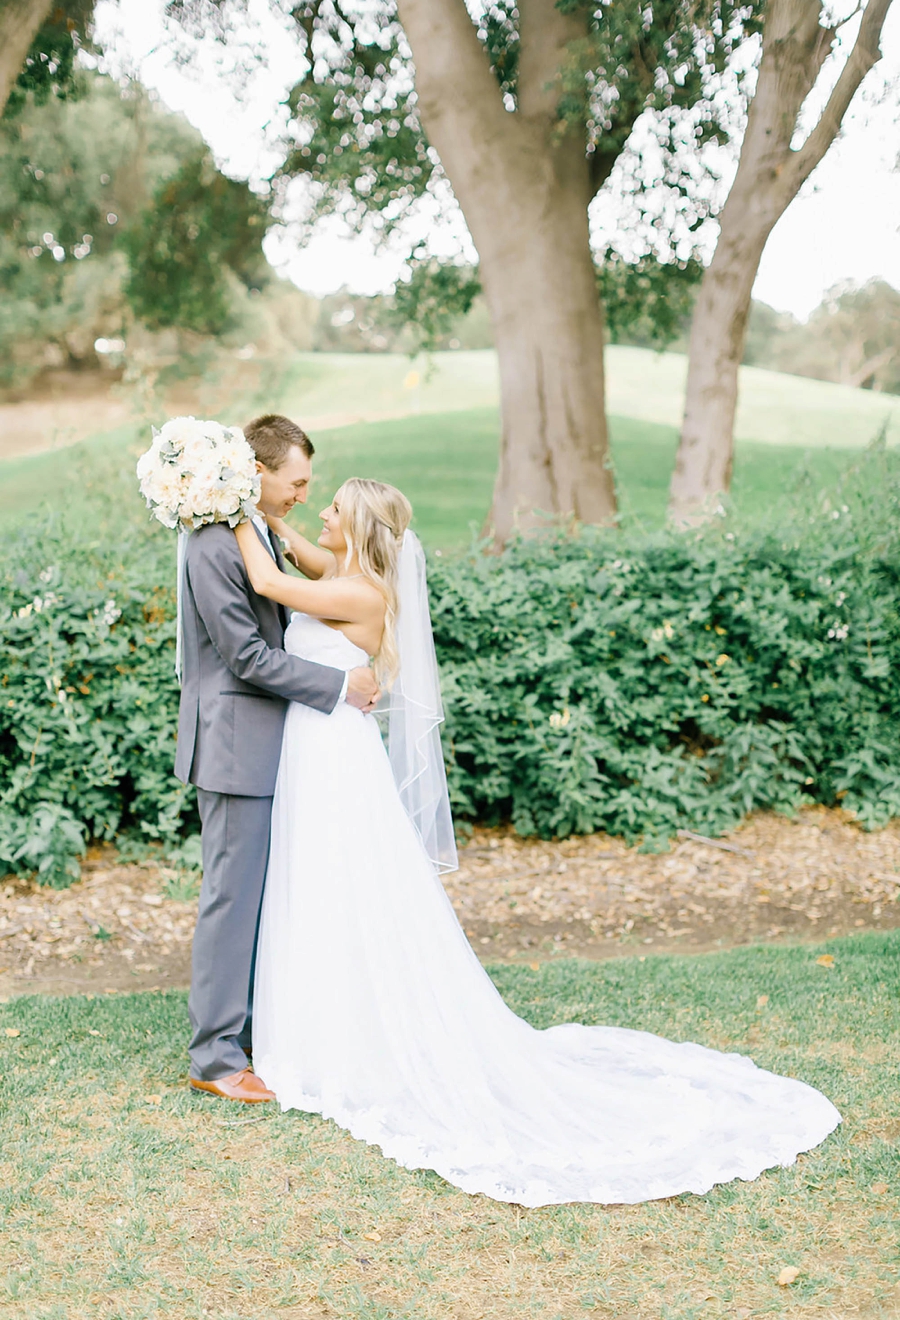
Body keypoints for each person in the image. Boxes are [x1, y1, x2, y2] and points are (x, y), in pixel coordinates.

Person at [232, 477, 841, 1206]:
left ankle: (348, 1035)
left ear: (358, 529)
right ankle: (319, 1024)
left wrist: (223, 501)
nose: (320, 513)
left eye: (333, 508)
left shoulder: (361, 594)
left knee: (344, 885)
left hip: (335, 758)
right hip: (318, 751)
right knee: (321, 887)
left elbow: (268, 575)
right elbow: (293, 549)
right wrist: (260, 509)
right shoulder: (341, 571)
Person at [175, 415, 378, 1103]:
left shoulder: (255, 530)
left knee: (261, 899)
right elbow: (245, 656)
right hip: (235, 744)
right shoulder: (211, 541)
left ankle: (255, 1030)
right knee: (232, 902)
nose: (301, 494)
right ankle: (216, 1058)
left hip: (269, 744)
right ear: (256, 471)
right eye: (296, 482)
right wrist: (337, 687)